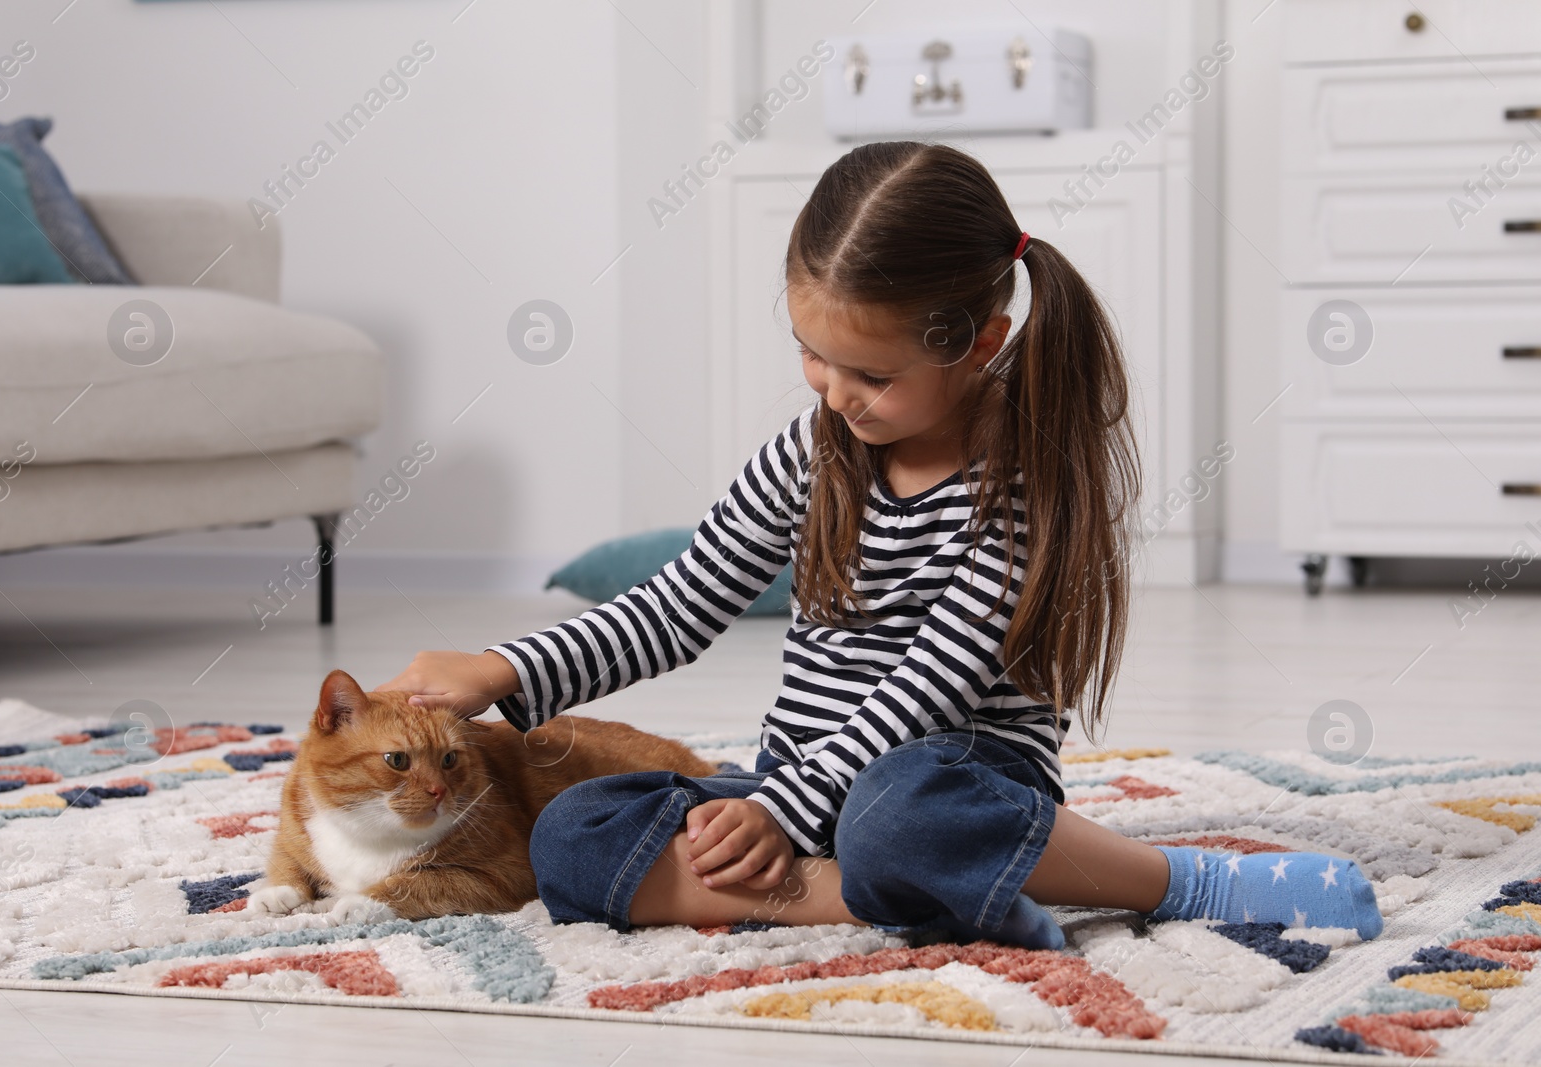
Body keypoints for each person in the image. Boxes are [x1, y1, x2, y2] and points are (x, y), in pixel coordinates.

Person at [379, 141, 1383, 948]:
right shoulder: (813, 451)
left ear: (975, 344)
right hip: (799, 785)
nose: (831, 390)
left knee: (898, 818)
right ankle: (884, 900)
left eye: (867, 370)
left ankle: (1177, 879)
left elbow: (928, 686)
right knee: (572, 833)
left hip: (942, 776)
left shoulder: (1021, 484)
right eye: (811, 354)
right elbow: (681, 603)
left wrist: (786, 806)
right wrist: (507, 668)